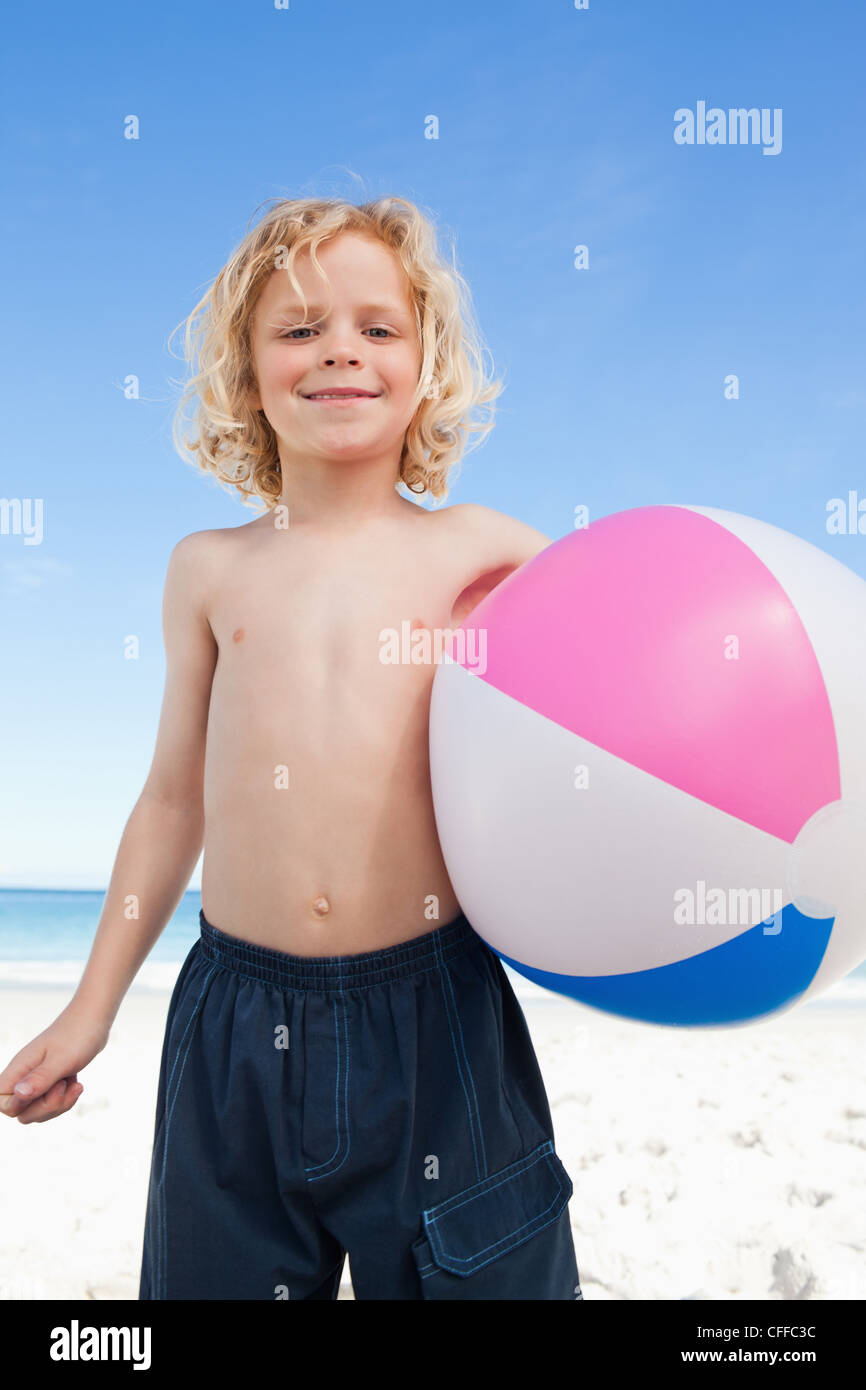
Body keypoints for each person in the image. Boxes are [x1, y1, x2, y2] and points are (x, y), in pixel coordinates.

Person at [0, 195, 582, 1300]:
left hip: (437, 1018)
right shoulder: (209, 571)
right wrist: (90, 1007)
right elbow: (173, 801)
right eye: (299, 328)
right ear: (247, 368)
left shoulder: (489, 556)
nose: (339, 355)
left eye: (376, 326)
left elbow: (607, 738)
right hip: (232, 1025)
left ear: (425, 361)